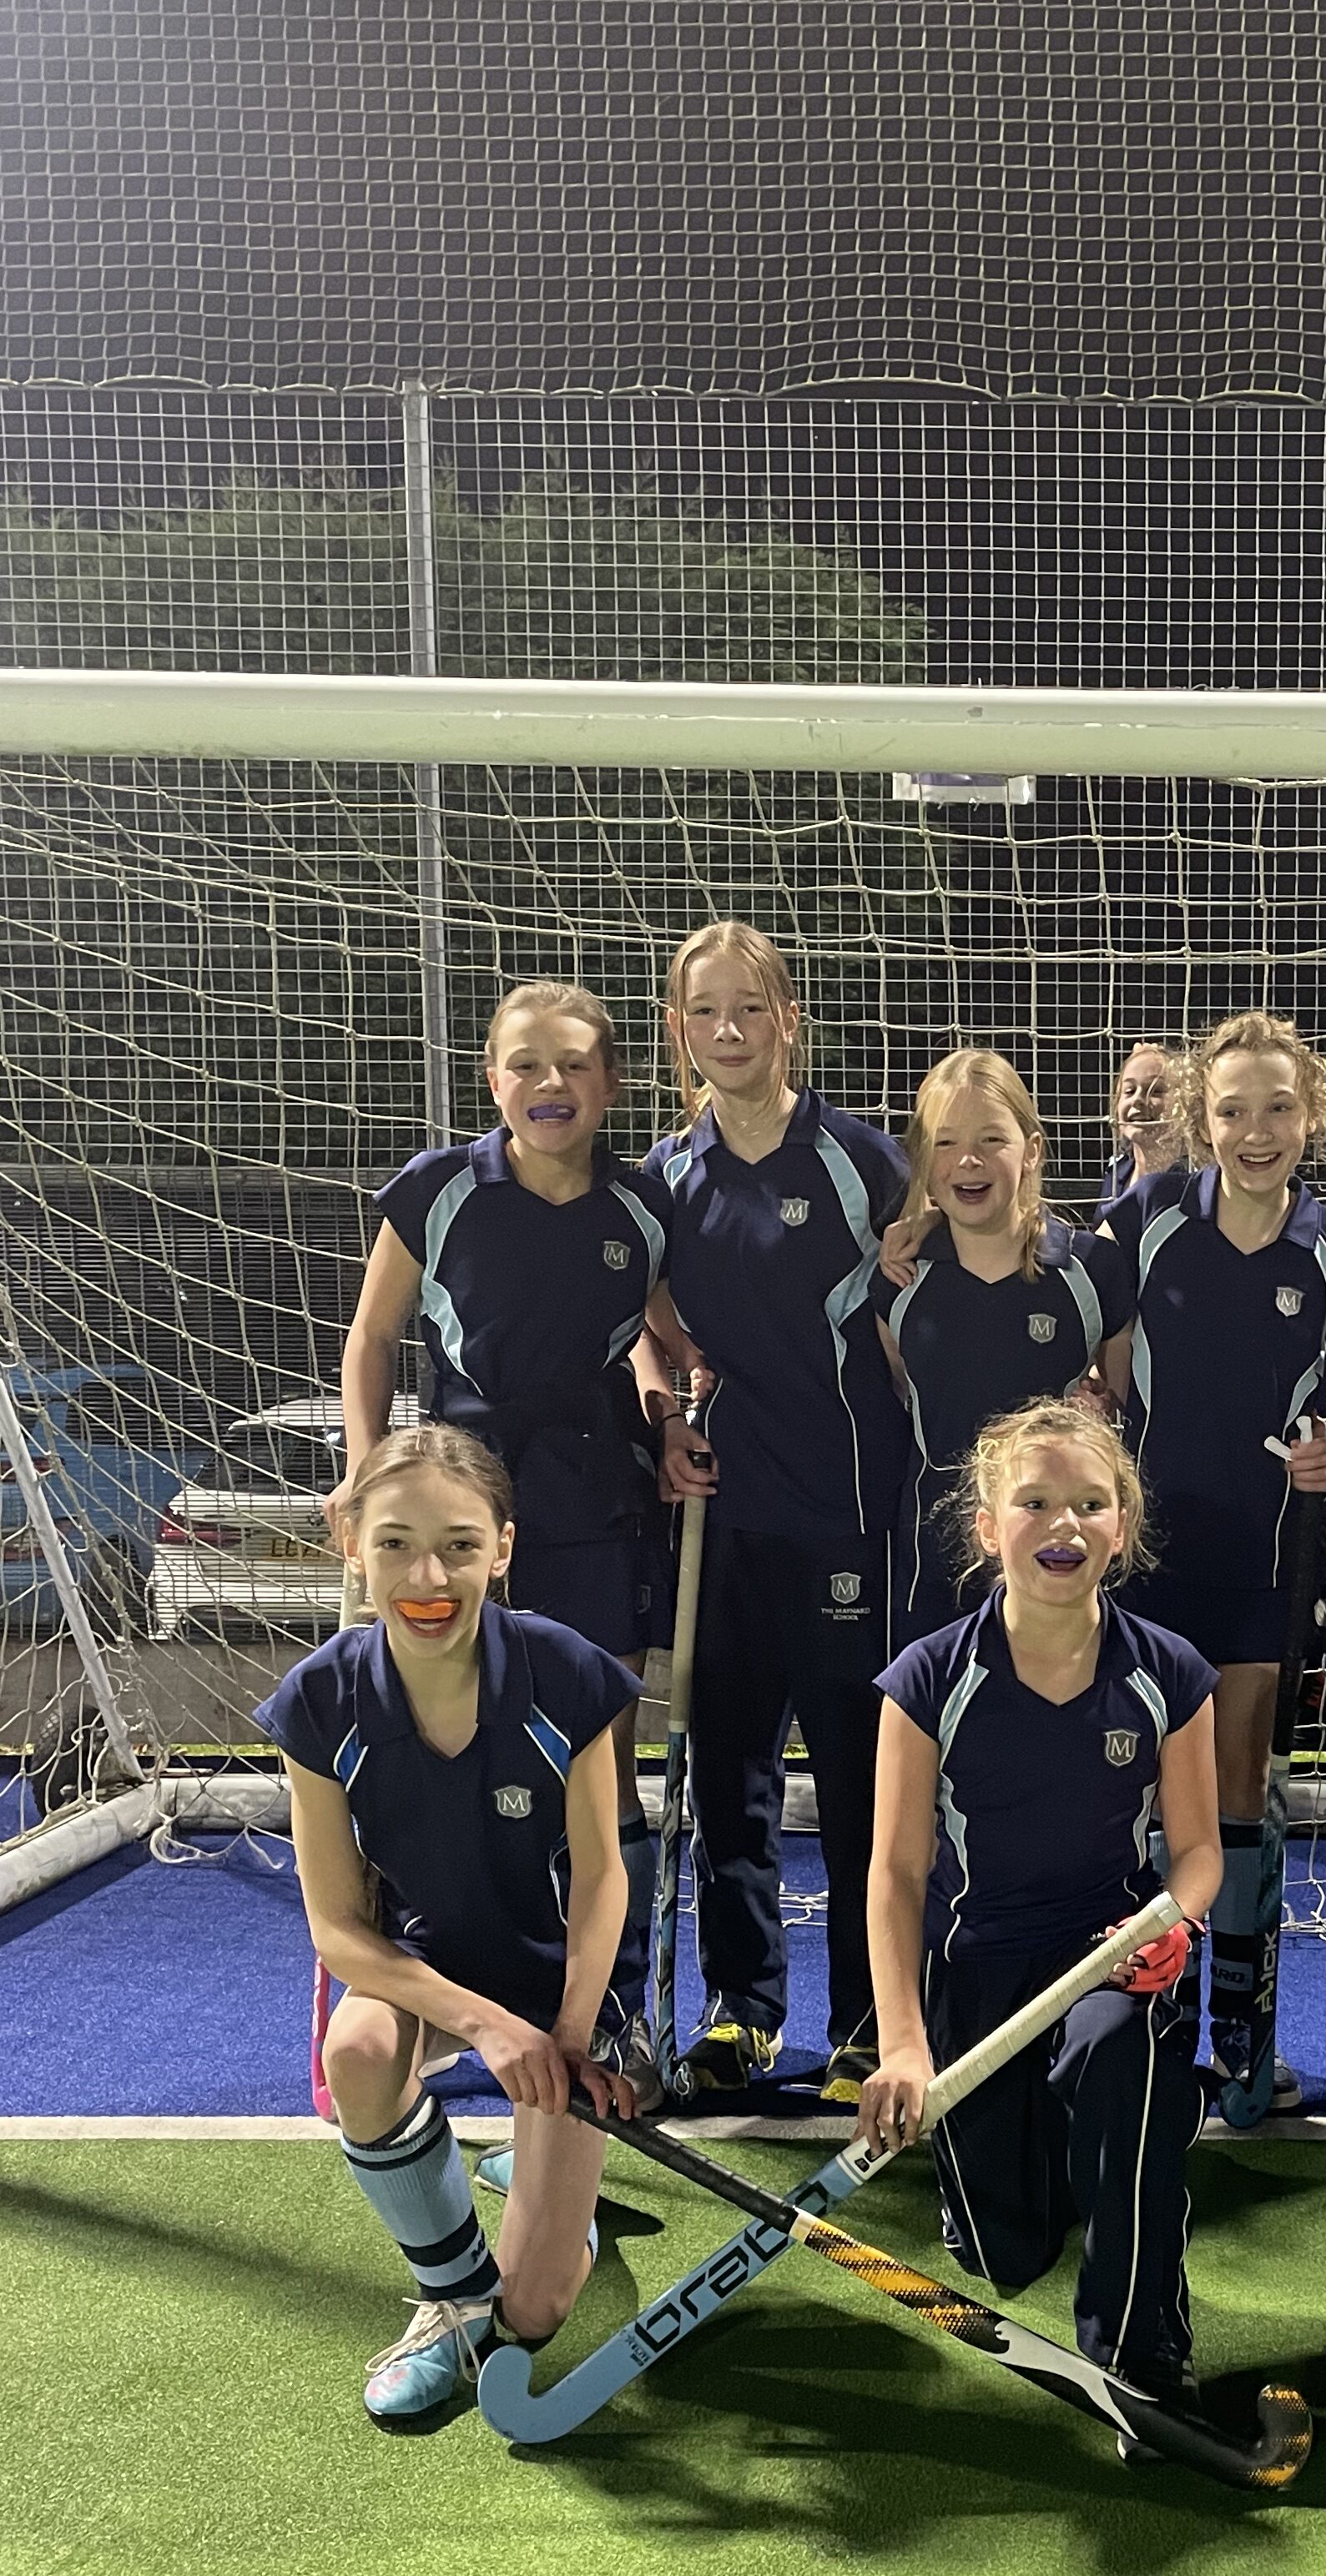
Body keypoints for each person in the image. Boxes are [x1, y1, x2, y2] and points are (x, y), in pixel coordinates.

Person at [260, 1426, 641, 2425]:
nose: (427, 1576)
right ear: (350, 1541)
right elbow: (341, 1933)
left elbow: (604, 1878)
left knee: (543, 2307)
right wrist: (483, 2026)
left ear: (502, 1550)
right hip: (437, 1972)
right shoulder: (319, 1701)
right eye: (395, 1544)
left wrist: (564, 2034)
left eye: (460, 1546)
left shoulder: (570, 1675)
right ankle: (452, 2300)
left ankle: (551, 2213)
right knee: (358, 2046)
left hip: (570, 1980)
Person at [859, 1401, 1223, 2432]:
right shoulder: (930, 1678)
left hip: (1110, 1961)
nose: (1063, 1527)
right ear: (987, 1526)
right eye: (1035, 1504)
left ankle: (1144, 2347)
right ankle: (1066, 2160)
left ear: (1123, 1523)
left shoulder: (1170, 1673)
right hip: (979, 1971)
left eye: (1090, 1505)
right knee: (1003, 2256)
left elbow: (1198, 1854)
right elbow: (895, 1871)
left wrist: (1171, 1924)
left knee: (1129, 2064)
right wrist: (901, 2041)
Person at [335, 979, 669, 2040]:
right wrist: (365, 1464)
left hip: (595, 1494)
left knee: (599, 1757)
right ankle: (442, 1991)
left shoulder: (643, 1207)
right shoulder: (436, 1189)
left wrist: (670, 1416)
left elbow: (665, 1334)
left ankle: (611, 2011)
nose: (550, 1084)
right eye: (526, 1065)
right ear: (494, 1081)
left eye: (574, 1065)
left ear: (610, 1083)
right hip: (456, 1497)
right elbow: (373, 1340)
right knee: (453, 1739)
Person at [1097, 1006, 1326, 2099]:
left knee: (1238, 1790)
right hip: (1146, 1562)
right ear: (1202, 1118)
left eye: (1278, 1108)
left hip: (1268, 1563)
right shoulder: (1146, 1220)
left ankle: (1241, 2042)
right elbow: (1098, 1354)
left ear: (1312, 1115)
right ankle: (1149, 2027)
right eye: (1233, 1110)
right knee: (1137, 1791)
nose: (1256, 1130)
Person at [632, 921, 909, 2102]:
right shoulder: (662, 1175)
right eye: (707, 1011)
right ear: (678, 1029)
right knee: (729, 1777)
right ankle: (742, 2013)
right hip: (725, 1516)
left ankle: (861, 2022)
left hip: (850, 1508)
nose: (731, 1030)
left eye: (752, 1008)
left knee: (856, 1780)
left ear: (789, 1020)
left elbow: (926, 1303)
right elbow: (640, 1326)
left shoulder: (859, 1160)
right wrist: (665, 1419)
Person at [874, 1049, 1138, 1639]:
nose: (969, 1159)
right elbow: (900, 1388)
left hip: (1059, 1561)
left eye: (993, 1138)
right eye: (945, 1143)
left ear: (1033, 1150)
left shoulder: (1091, 1271)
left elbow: (1118, 1405)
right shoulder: (900, 1279)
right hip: (934, 1562)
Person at [1101, 1039, 1190, 1202]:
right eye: (1129, 1090)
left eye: (1156, 1091)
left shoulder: (1196, 1179)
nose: (1137, 1100)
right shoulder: (1116, 1173)